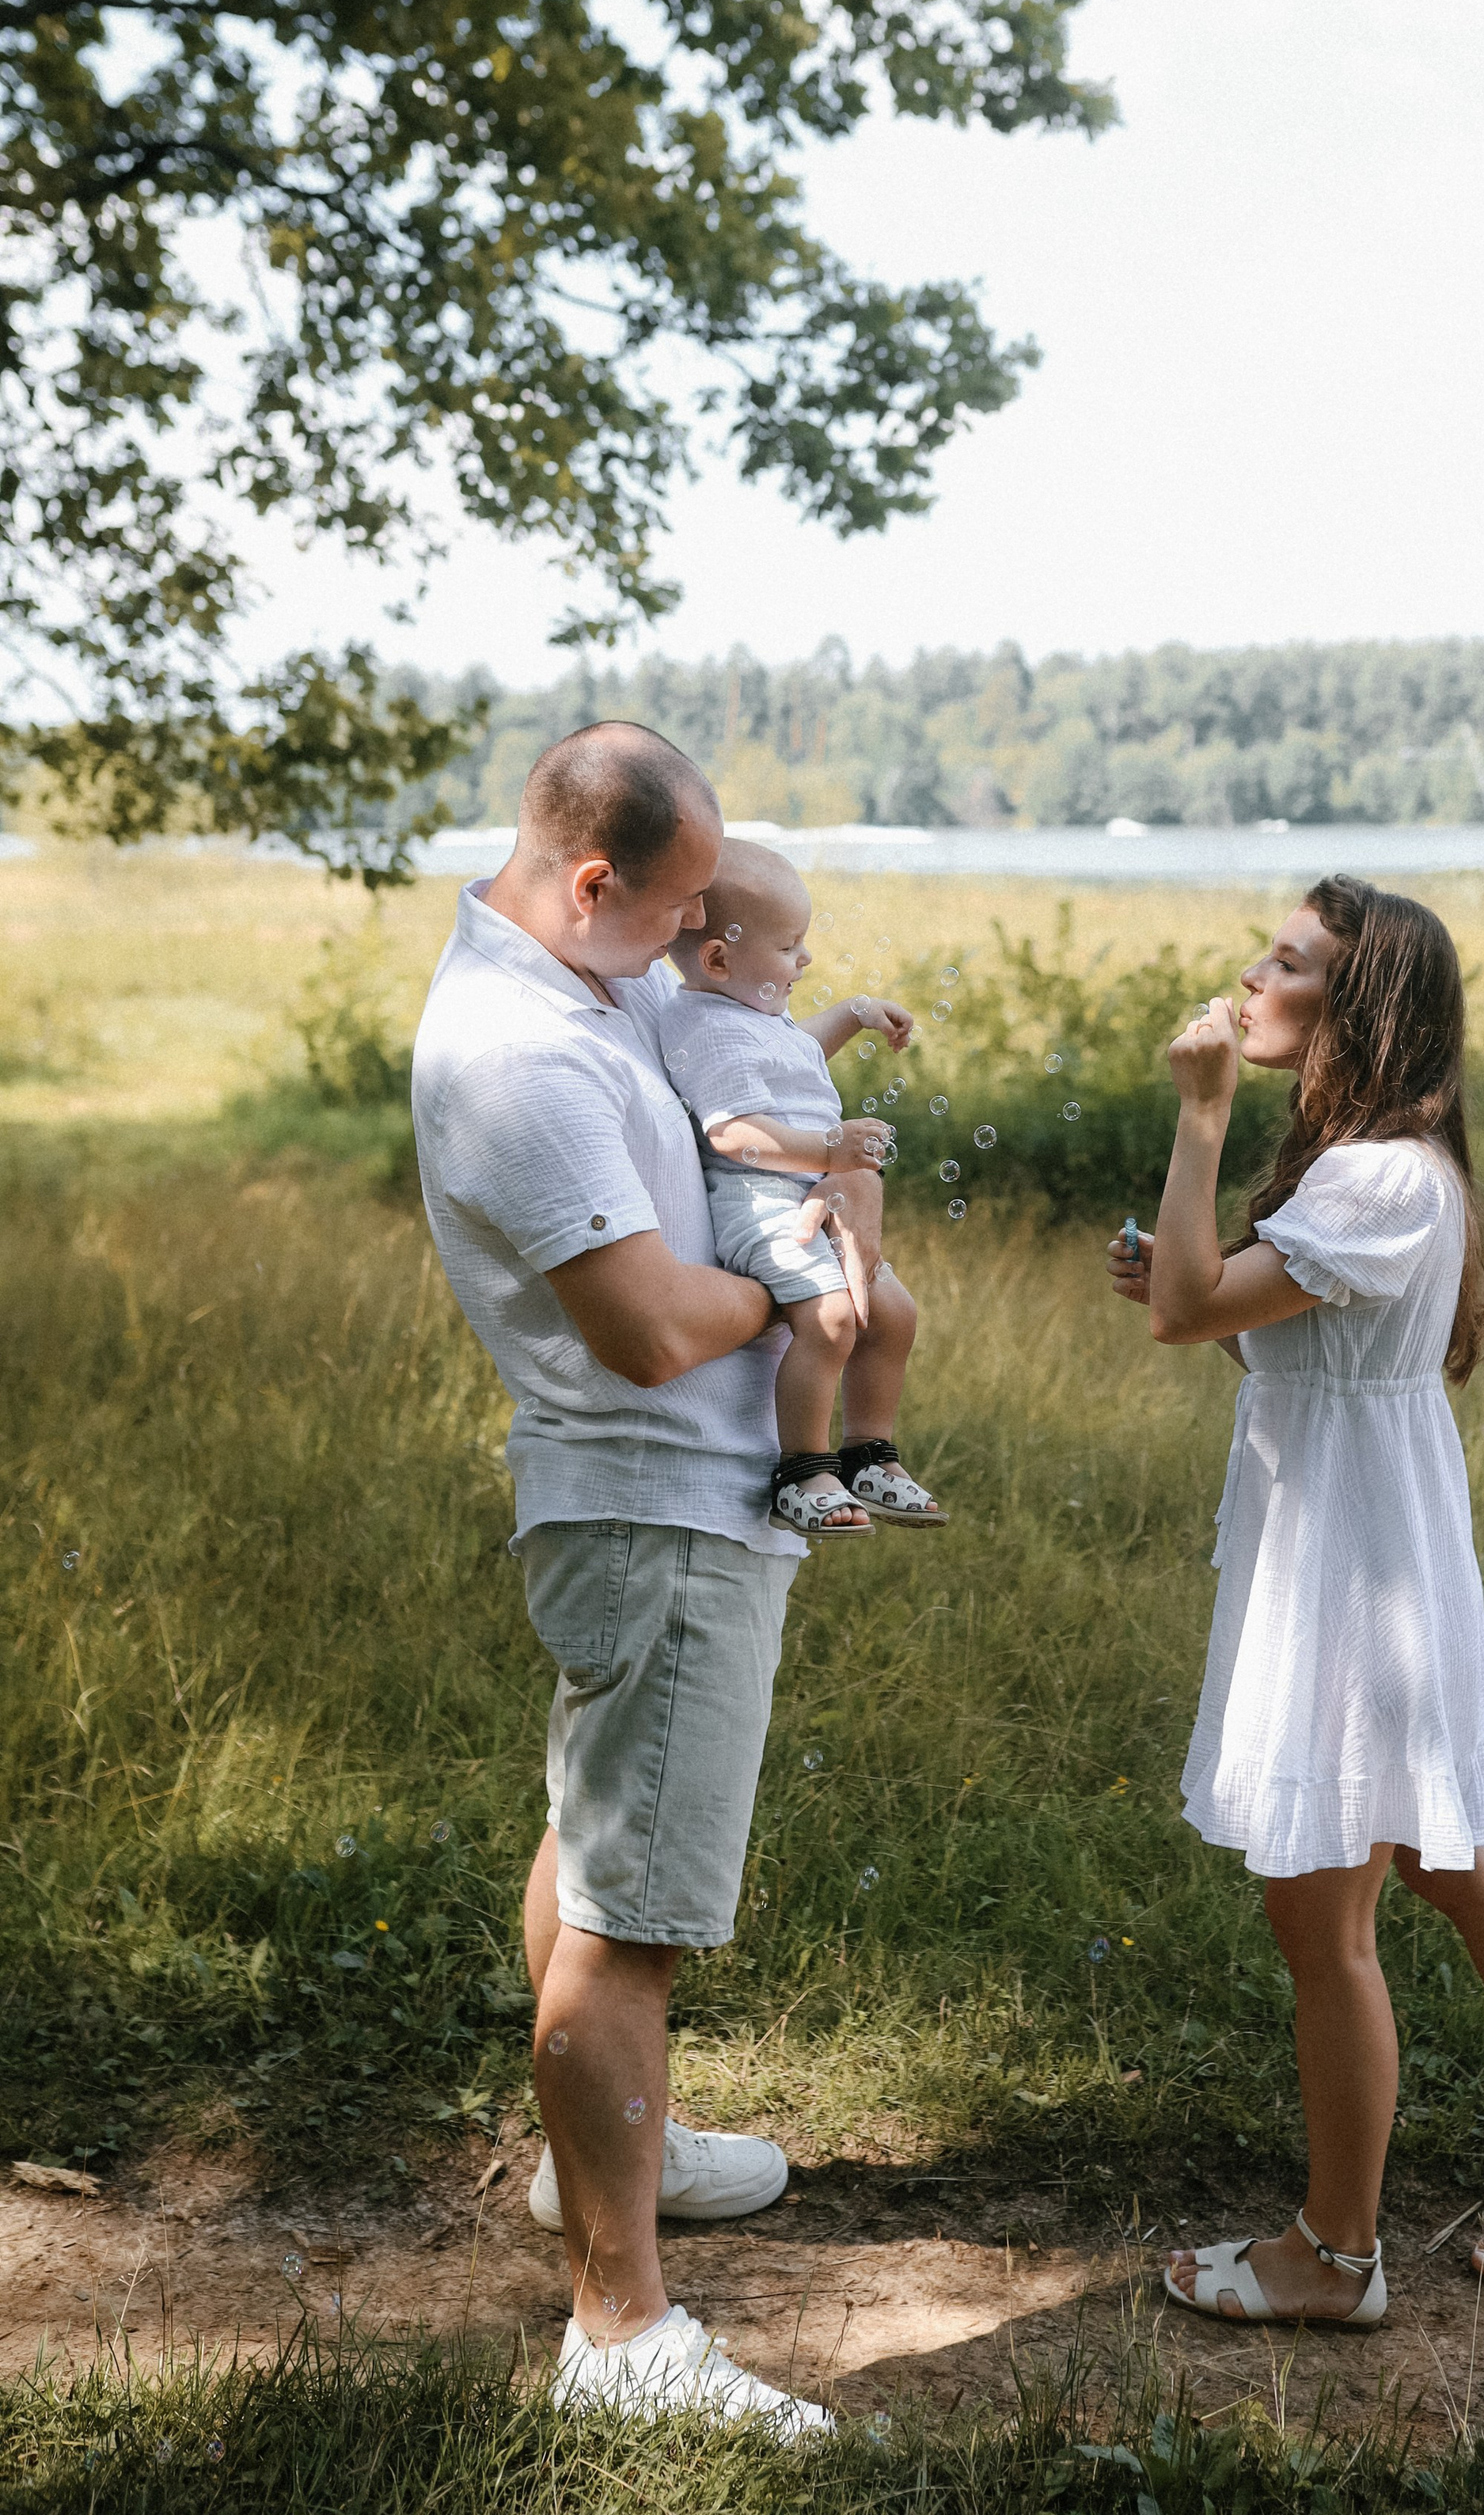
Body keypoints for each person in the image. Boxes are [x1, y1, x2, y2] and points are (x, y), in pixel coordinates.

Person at [1106, 879, 1484, 2326]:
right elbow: (1240, 1334)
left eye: (1287, 962)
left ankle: (1335, 2255)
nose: (1249, 975)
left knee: (1328, 1927)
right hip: (1373, 1547)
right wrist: (1191, 1273)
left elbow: (1186, 1316)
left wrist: (1197, 1118)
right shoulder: (1390, 1167)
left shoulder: (1374, 1179)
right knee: (1451, 1860)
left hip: (1350, 1578)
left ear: (1354, 1005)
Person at [411, 721, 882, 2431]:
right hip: (658, 1499)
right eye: (682, 917)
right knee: (630, 1929)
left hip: (665, 1500)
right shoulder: (514, 1056)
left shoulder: (579, 984)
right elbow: (643, 1327)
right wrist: (804, 1267)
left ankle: (612, 2161)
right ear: (591, 879)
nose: (701, 950)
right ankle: (620, 2336)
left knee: (593, 1835)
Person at [663, 839, 943, 1537]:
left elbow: (796, 1053)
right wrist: (828, 1147)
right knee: (831, 1319)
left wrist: (853, 1012)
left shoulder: (753, 1017)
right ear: (720, 959)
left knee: (894, 1313)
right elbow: (733, 1134)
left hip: (812, 1194)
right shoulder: (705, 1026)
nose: (805, 959)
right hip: (760, 1203)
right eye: (790, 946)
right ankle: (801, 1469)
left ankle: (869, 1452)